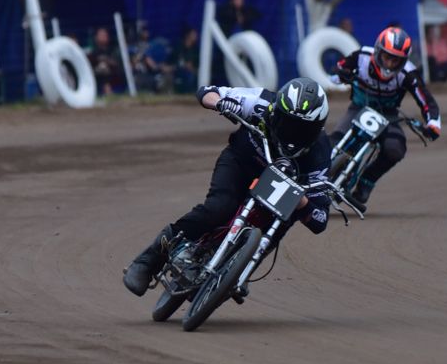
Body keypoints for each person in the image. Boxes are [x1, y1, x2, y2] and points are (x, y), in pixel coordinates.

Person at [122, 77, 334, 297]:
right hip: (241, 163)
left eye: (303, 130)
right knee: (219, 207)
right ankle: (149, 260)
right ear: (276, 111)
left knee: (285, 218)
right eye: (288, 124)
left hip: (280, 188)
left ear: (318, 128)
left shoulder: (320, 153)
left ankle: (241, 269)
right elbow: (206, 92)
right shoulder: (259, 101)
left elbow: (320, 221)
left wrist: (302, 202)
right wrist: (221, 103)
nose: (293, 134)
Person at [328, 25, 441, 213]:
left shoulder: (408, 74)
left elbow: (426, 100)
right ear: (377, 51)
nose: (389, 64)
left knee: (395, 149)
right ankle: (314, 177)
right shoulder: (361, 57)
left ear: (403, 61)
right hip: (358, 109)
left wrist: (433, 123)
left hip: (388, 117)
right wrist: (342, 74)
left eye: (395, 60)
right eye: (386, 56)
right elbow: (338, 70)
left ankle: (366, 183)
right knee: (332, 143)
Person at [87, 26, 123, 96]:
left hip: (114, 75)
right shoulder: (93, 53)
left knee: (104, 67)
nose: (104, 37)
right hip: (97, 76)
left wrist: (106, 60)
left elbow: (117, 64)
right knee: (101, 68)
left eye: (105, 35)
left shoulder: (114, 50)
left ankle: (108, 92)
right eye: (101, 35)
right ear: (96, 38)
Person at [171, 27, 200, 94]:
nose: (196, 36)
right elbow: (171, 62)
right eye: (193, 34)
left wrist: (191, 68)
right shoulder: (178, 47)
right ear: (188, 35)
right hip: (177, 71)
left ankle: (190, 93)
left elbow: (197, 65)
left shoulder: (195, 50)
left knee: (191, 76)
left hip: (192, 72)